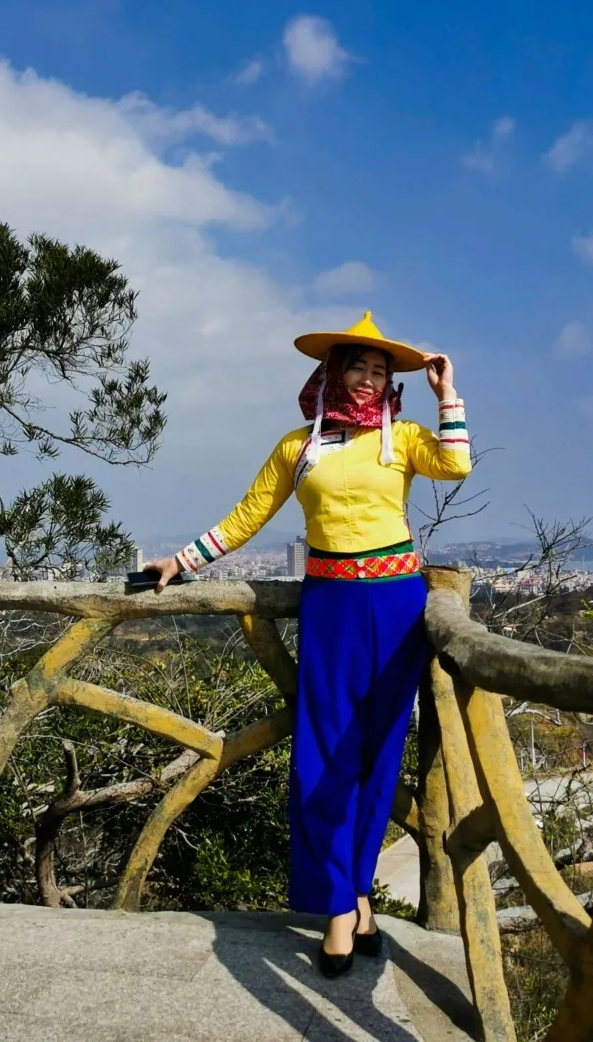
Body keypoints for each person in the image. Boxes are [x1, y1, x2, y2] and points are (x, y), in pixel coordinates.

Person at [143, 311, 470, 978]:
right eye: (358, 367)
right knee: (322, 758)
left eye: (379, 371)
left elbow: (456, 464)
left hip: (397, 604)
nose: (369, 379)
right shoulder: (300, 446)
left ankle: (355, 895)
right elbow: (248, 514)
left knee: (378, 755)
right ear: (332, 372)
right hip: (331, 607)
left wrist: (447, 396)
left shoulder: (404, 436)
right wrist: (181, 561)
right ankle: (341, 906)